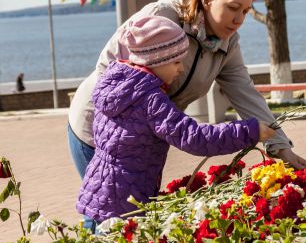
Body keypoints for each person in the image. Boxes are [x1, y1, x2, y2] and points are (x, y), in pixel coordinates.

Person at [68, 0, 306, 228]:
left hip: (143, 140)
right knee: (107, 219)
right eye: (232, 7)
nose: (239, 18)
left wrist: (280, 145)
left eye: (245, 11)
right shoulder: (163, 18)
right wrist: (124, 125)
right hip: (98, 129)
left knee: (123, 225)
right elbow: (108, 68)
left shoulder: (228, 43)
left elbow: (245, 92)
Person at [76, 16, 275, 224]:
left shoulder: (115, 84)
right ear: (155, 60)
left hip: (99, 190)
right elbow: (194, 138)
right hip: (125, 203)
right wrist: (249, 131)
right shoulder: (150, 99)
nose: (181, 69)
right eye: (177, 61)